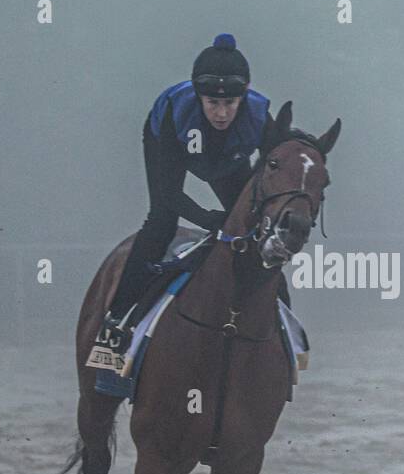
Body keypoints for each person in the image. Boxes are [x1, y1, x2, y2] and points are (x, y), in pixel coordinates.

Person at [101, 33, 288, 355]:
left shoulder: (259, 115)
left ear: (242, 99)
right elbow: (168, 193)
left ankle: (282, 319)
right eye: (212, 103)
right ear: (198, 97)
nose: (221, 114)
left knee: (255, 228)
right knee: (161, 220)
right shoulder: (176, 111)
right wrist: (209, 219)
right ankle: (117, 317)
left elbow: (271, 173)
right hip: (169, 144)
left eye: (230, 103)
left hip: (227, 157)